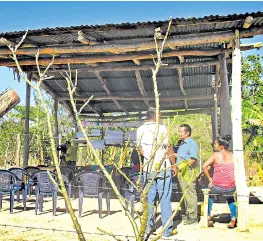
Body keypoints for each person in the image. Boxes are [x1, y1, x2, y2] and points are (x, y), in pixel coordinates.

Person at [137, 107, 177, 237]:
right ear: (155, 116)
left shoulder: (140, 130)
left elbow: (140, 150)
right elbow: (168, 147)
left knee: (150, 199)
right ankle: (167, 230)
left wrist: (149, 157)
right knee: (165, 198)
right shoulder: (162, 128)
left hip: (148, 169)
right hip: (162, 168)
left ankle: (148, 228)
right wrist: (173, 165)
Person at [202, 135, 237, 229]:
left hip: (217, 186)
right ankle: (233, 217)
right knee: (230, 199)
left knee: (210, 195)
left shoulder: (216, 155)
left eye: (216, 143)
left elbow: (204, 166)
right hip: (231, 186)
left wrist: (210, 179)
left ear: (221, 146)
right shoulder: (233, 155)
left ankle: (208, 216)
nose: (214, 145)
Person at [175, 124, 198, 225]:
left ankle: (193, 217)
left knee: (189, 194)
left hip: (187, 171)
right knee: (182, 194)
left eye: (181, 131)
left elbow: (193, 159)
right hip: (180, 171)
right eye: (179, 131)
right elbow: (181, 156)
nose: (179, 133)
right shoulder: (181, 144)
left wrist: (183, 167)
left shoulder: (191, 143)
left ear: (187, 133)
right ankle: (184, 214)